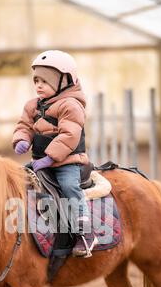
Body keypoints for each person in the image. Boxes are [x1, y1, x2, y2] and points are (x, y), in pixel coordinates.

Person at [12, 50, 98, 257]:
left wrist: (50, 158)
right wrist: (22, 139)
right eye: (37, 81)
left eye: (45, 81)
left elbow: (69, 135)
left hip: (67, 162)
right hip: (40, 161)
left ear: (64, 82)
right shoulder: (32, 106)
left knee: (69, 187)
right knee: (16, 182)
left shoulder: (71, 105)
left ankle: (85, 233)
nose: (39, 85)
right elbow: (24, 125)